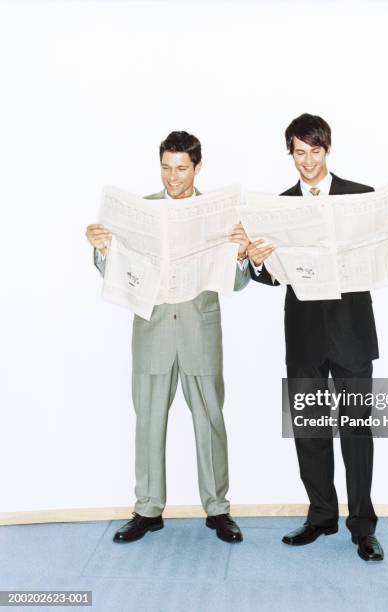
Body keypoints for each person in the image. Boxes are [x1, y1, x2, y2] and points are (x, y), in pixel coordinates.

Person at [246, 114, 388, 561]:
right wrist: (258, 260)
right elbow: (269, 277)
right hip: (303, 334)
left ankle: (363, 526)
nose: (307, 162)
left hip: (351, 334)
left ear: (328, 150)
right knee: (309, 430)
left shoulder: (362, 199)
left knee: (358, 432)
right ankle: (321, 515)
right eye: (299, 153)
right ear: (290, 153)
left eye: (315, 151)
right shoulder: (279, 208)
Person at [86, 131, 251, 544]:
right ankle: (147, 509)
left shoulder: (220, 215)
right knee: (148, 422)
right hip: (153, 332)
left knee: (210, 420)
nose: (172, 177)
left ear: (197, 167)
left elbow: (235, 281)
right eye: (165, 167)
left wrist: (243, 253)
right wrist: (104, 250)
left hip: (200, 328)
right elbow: (120, 275)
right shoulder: (140, 214)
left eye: (181, 168)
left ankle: (218, 509)